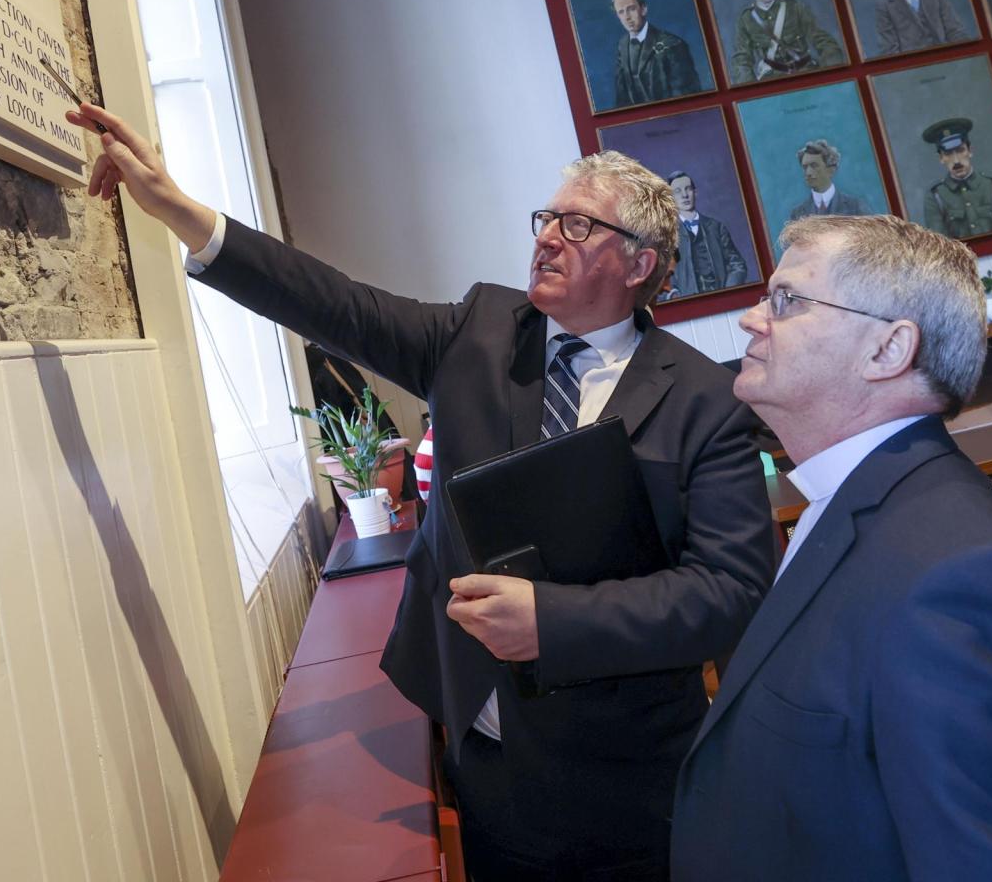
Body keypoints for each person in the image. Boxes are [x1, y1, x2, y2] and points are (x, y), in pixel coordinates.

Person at [68, 105, 775, 881]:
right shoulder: (477, 333)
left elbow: (731, 590)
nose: (545, 236)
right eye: (548, 217)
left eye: (578, 227)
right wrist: (180, 210)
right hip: (485, 752)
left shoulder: (708, 399)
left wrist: (552, 621)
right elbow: (330, 302)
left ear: (640, 266)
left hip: (630, 774)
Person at [670, 214, 992, 881]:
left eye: (786, 301)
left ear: (889, 350)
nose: (752, 320)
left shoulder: (968, 584)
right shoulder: (853, 507)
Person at [730, 0, 846, 83]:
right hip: (773, 82)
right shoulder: (746, 20)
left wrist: (831, 73)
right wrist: (751, 92)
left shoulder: (795, 7)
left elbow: (824, 41)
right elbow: (741, 60)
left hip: (807, 73)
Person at [919, 118, 992, 240]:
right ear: (941, 158)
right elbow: (940, 248)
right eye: (948, 154)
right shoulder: (935, 197)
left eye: (960, 150)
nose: (956, 160)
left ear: (970, 151)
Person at [610, 0, 703, 107]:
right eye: (621, 12)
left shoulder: (673, 44)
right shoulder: (622, 46)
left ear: (643, 9)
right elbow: (622, 97)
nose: (627, 17)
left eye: (631, 9)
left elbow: (686, 95)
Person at [664, 171, 749, 298]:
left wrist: (728, 292)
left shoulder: (717, 227)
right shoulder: (668, 235)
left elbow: (737, 265)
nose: (684, 195)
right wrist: (674, 294)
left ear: (695, 192)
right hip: (691, 305)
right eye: (677, 191)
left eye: (688, 189)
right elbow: (662, 275)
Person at [787, 139, 869, 221]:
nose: (808, 172)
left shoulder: (855, 207)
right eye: (805, 167)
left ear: (831, 170)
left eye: (814, 166)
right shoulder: (797, 214)